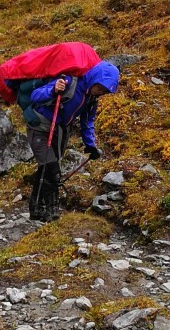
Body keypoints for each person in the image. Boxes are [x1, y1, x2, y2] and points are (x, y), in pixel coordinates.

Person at [17, 61, 120, 221]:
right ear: (94, 78)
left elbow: (87, 122)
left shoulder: (91, 99)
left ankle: (36, 207)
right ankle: (52, 211)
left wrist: (90, 145)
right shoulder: (68, 82)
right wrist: (53, 90)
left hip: (59, 131)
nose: (101, 92)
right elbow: (35, 95)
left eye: (104, 91)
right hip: (39, 127)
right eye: (100, 87)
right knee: (53, 170)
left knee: (46, 168)